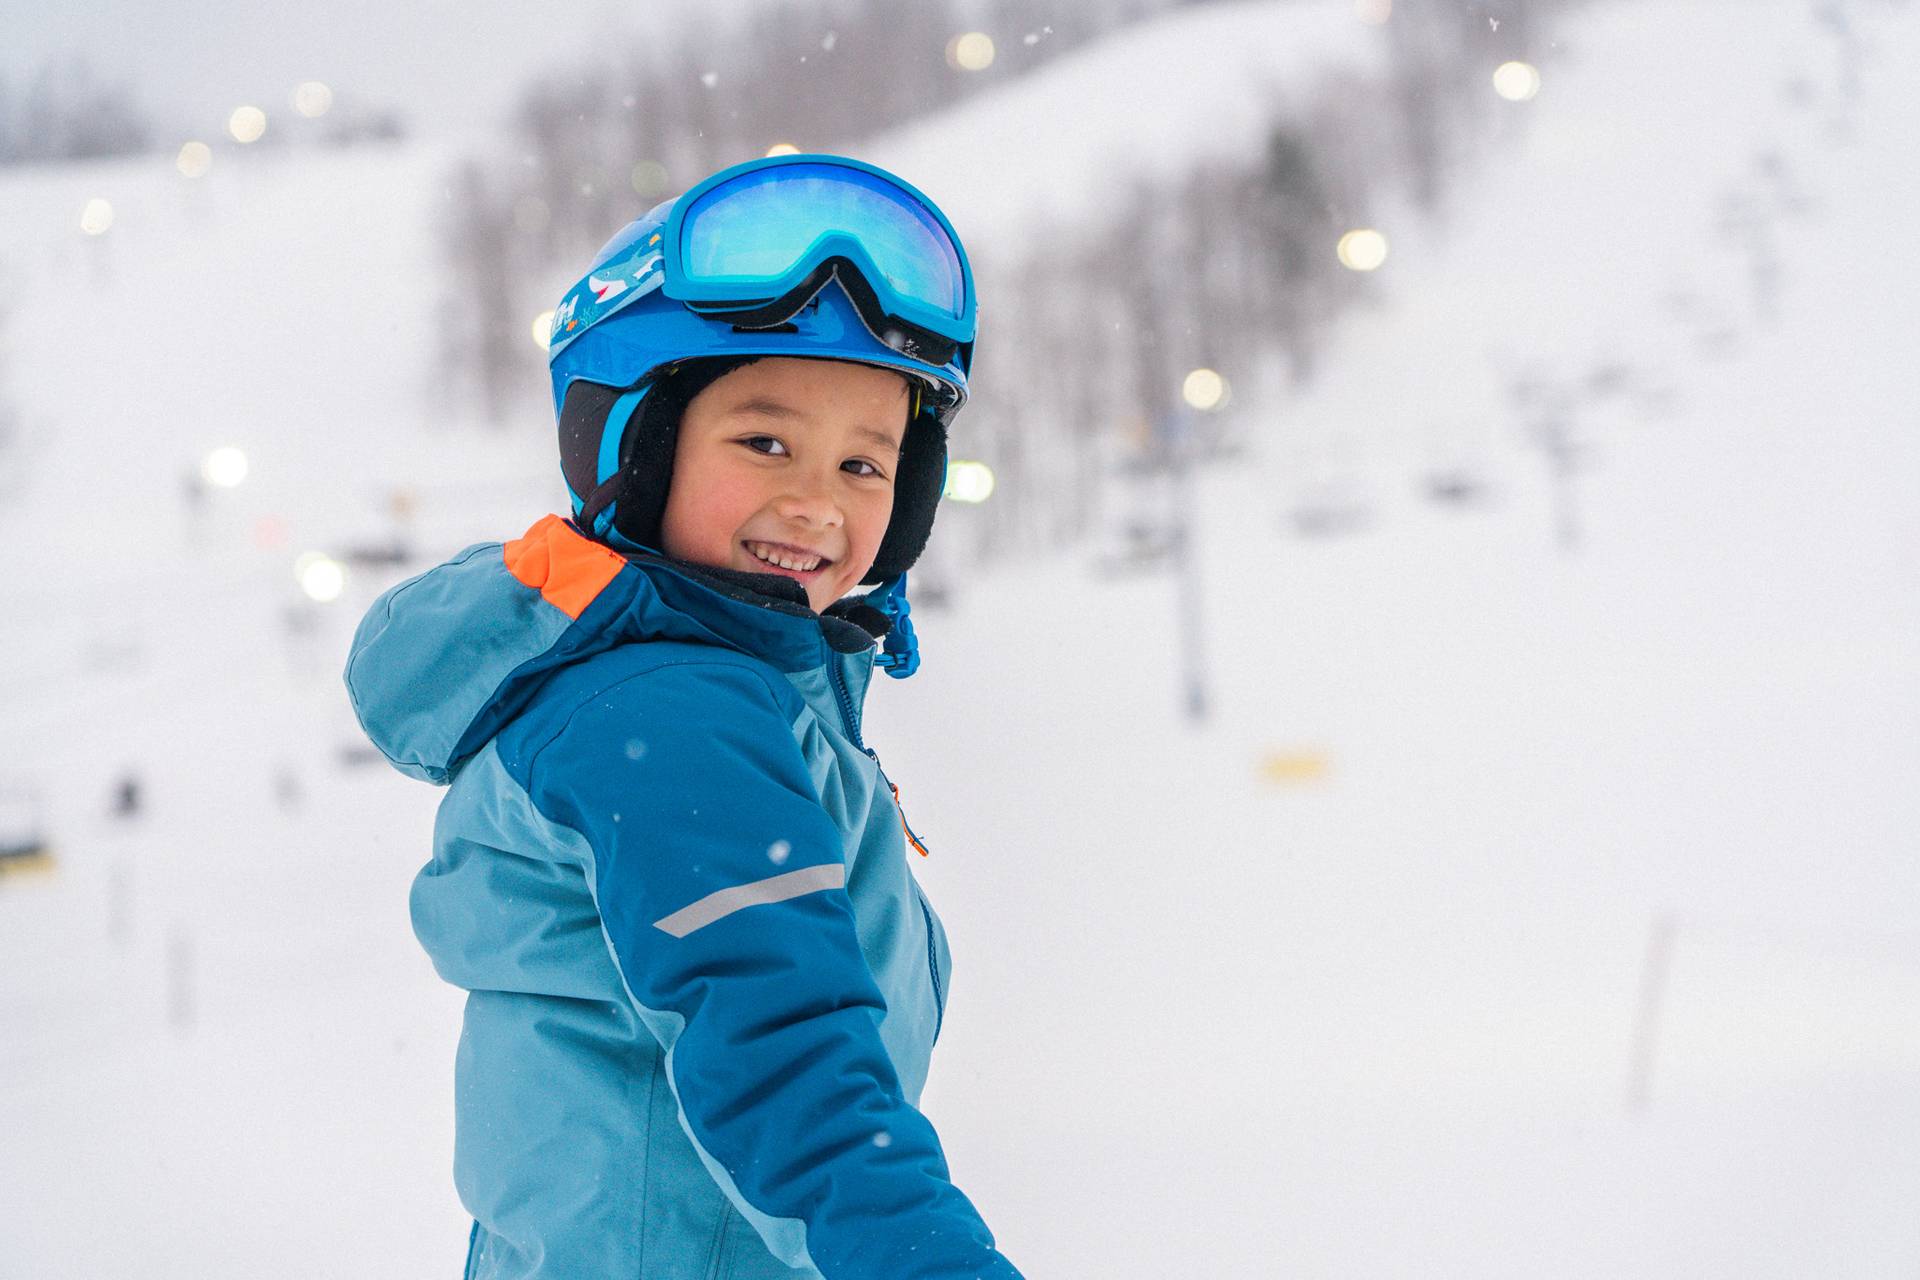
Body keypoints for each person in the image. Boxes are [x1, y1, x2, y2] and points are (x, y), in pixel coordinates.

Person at [345, 155, 1023, 1280]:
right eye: (765, 441)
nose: (816, 500)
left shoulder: (721, 690)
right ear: (638, 445)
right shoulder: (666, 711)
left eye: (865, 462)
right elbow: (786, 1061)